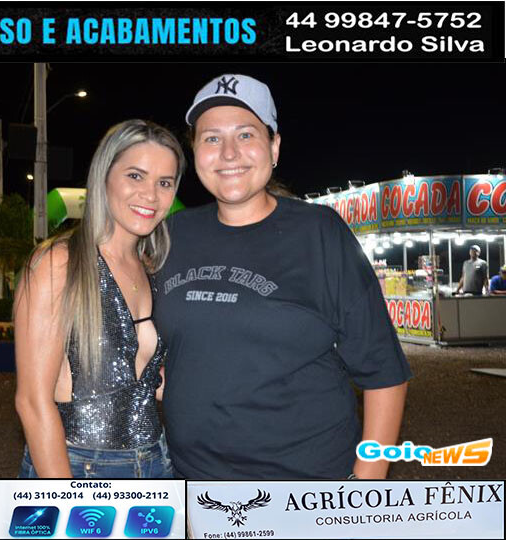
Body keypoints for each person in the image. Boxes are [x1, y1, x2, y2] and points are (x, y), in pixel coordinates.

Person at [154, 74, 412, 480]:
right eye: (212, 138)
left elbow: (384, 371)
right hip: (194, 484)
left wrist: (366, 487)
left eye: (245, 134)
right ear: (195, 152)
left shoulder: (319, 232)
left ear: (273, 147)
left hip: (307, 487)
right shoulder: (173, 234)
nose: (229, 153)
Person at [14, 119, 185, 478]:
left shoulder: (153, 269)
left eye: (164, 183)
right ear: (104, 176)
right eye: (135, 176)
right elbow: (32, 402)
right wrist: (67, 501)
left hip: (157, 461)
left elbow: (149, 382)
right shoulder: (60, 263)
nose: (151, 195)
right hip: (79, 465)